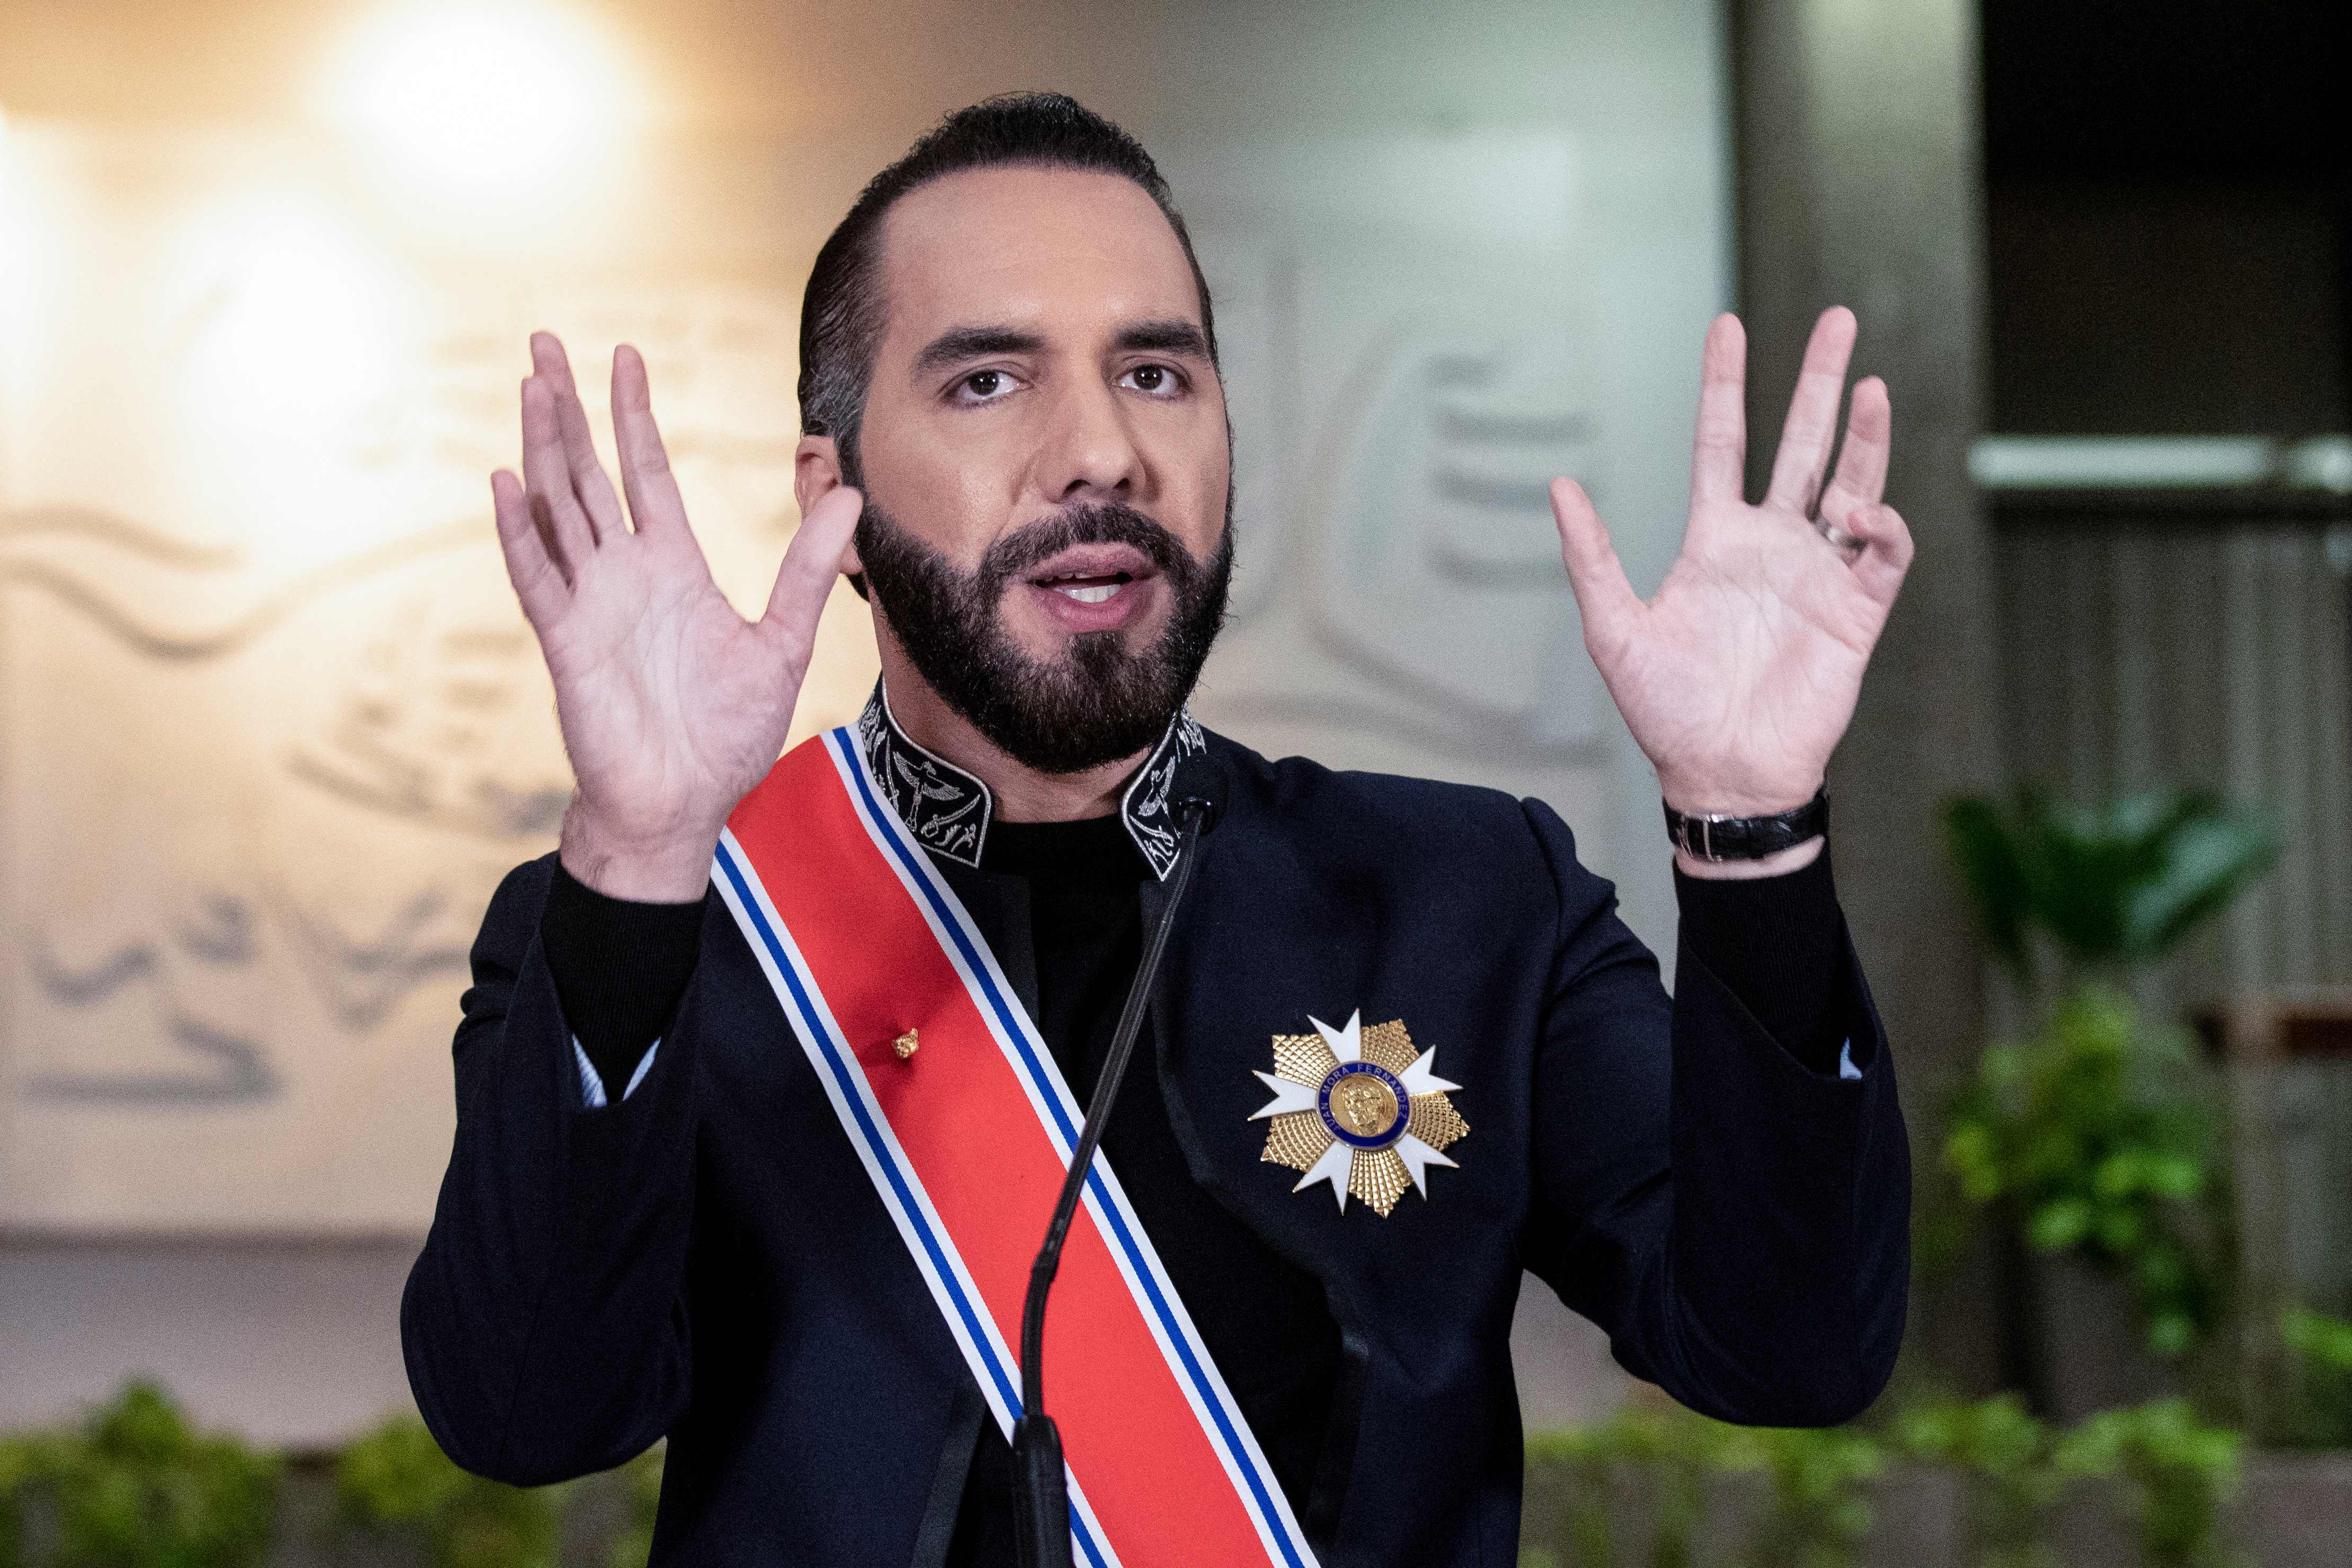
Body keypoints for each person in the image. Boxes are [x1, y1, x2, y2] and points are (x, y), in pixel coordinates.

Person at [401, 93, 1914, 1568]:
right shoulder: (659, 919)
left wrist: (1749, 826)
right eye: (988, 381)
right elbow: (529, 1415)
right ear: (834, 497)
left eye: (1156, 374)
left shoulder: (1468, 897)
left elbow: (1788, 1353)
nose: (1103, 454)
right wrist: (643, 853)